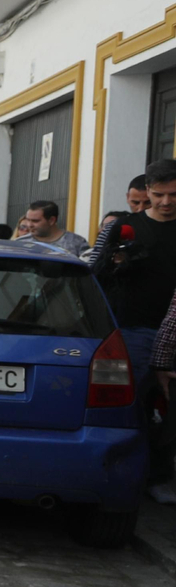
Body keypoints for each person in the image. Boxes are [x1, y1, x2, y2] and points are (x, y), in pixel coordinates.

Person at [102, 159, 176, 502]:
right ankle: (125, 475)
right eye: (158, 194)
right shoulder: (122, 228)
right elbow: (94, 273)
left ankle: (160, 476)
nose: (165, 202)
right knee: (132, 405)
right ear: (146, 191)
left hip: (172, 331)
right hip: (134, 330)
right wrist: (119, 266)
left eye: (173, 195)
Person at [18, 200, 88, 256]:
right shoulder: (20, 243)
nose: (29, 225)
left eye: (35, 221)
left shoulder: (77, 243)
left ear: (51, 220)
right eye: (28, 220)